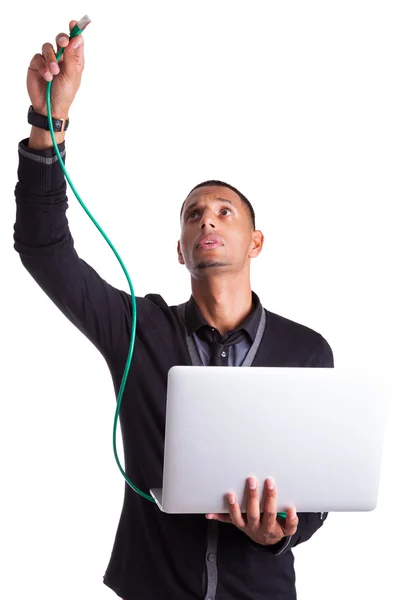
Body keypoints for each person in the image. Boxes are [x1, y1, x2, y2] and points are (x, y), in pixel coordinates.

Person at [13, 18, 334, 600]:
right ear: (180, 249)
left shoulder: (306, 350)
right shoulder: (136, 328)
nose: (206, 219)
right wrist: (47, 120)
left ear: (255, 242)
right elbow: (44, 249)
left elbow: (313, 499)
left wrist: (278, 533)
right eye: (192, 215)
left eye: (223, 212)